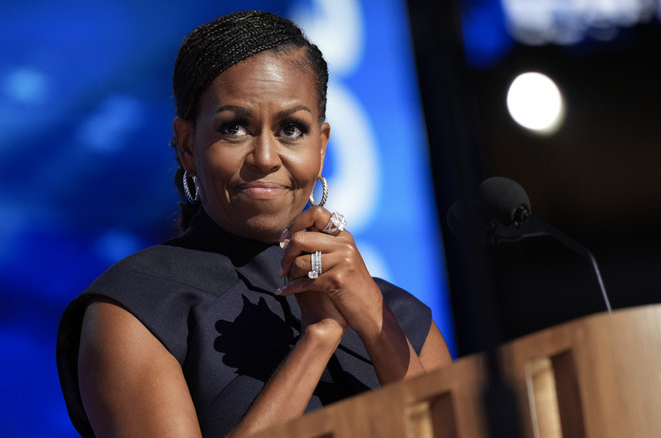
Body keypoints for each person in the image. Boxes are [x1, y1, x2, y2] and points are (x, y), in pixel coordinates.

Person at [56, 10, 451, 438]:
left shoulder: (403, 315)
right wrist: (316, 341)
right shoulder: (139, 307)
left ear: (322, 147)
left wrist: (374, 319)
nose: (265, 157)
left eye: (292, 129)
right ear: (188, 146)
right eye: (235, 128)